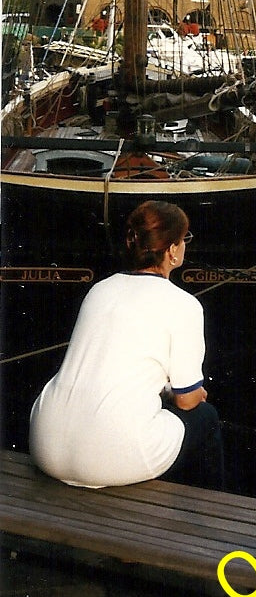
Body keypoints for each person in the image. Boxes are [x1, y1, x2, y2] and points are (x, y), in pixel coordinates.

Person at [29, 201, 224, 490]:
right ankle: (206, 516)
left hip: (45, 447)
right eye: (184, 239)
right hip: (108, 460)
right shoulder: (184, 304)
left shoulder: (100, 289)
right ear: (172, 250)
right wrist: (188, 394)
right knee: (205, 418)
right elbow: (187, 400)